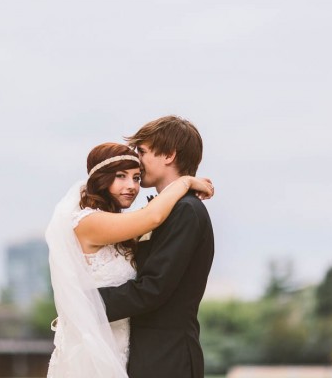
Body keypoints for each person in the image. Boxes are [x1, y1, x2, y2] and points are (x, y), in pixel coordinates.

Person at [45, 142, 214, 378]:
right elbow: (153, 216)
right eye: (121, 176)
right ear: (101, 179)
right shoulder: (87, 222)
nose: (131, 186)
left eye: (136, 177)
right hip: (93, 349)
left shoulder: (123, 231)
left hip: (123, 348)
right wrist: (184, 182)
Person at [98, 116, 214, 378]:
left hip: (168, 359)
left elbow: (153, 288)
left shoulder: (187, 211)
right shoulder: (167, 210)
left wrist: (88, 302)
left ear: (169, 155)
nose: (137, 160)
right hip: (148, 355)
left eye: (142, 151)